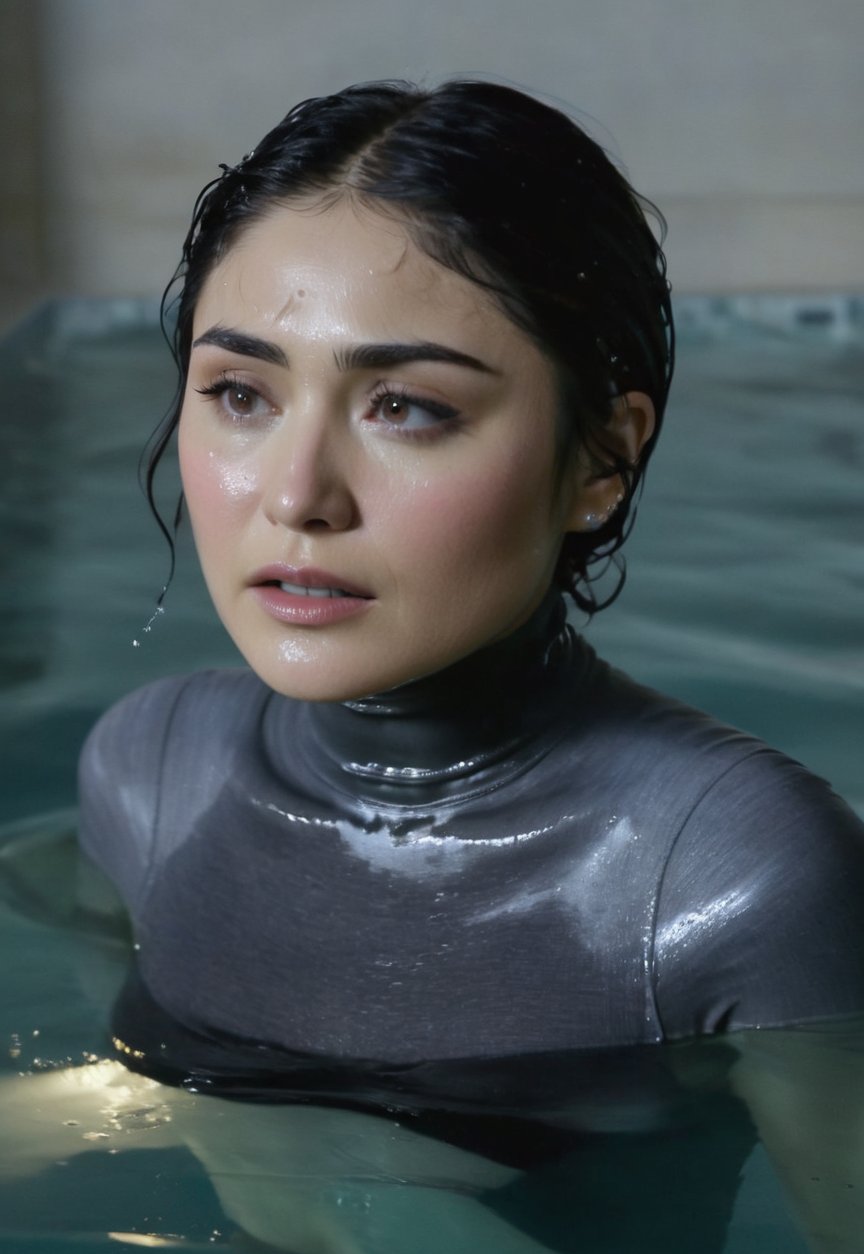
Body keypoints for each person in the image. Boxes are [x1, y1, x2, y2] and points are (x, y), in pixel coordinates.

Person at [78, 78, 864, 1083]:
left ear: (601, 461)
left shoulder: (736, 876)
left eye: (405, 406)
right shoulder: (145, 773)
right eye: (240, 391)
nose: (298, 494)